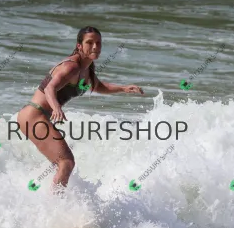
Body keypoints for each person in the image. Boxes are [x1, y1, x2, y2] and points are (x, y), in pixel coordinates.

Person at [17, 26, 144, 192]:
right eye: (89, 43)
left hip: (39, 116)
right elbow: (49, 88)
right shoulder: (72, 67)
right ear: (79, 46)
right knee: (66, 162)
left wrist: (123, 88)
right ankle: (55, 203)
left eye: (98, 43)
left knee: (61, 163)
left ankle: (41, 197)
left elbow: (98, 86)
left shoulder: (87, 70)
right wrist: (56, 108)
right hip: (34, 114)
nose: (95, 47)